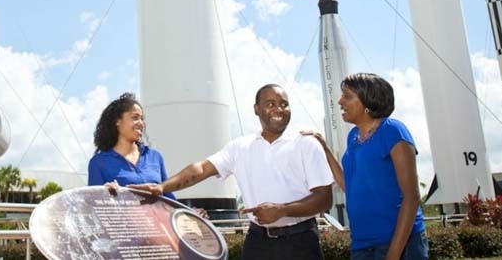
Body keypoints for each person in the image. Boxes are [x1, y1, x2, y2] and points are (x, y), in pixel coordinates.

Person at [135, 84, 333, 260]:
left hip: (300, 241)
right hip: (257, 242)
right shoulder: (240, 147)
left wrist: (282, 210)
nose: (278, 109)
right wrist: (162, 187)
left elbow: (325, 199)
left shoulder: (306, 144)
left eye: (284, 104)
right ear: (256, 109)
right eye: (270, 104)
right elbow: (201, 169)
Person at [305, 73, 428, 260]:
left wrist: (393, 255)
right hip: (362, 245)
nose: (340, 101)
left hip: (399, 244)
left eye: (347, 96)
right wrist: (325, 149)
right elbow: (348, 185)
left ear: (368, 101)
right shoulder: (353, 136)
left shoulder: (393, 131)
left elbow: (411, 197)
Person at [87, 92, 176, 199]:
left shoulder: (155, 157)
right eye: (135, 118)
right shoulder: (98, 162)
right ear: (117, 121)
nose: (141, 123)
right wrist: (104, 194)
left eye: (142, 118)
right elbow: (93, 203)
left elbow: (169, 199)